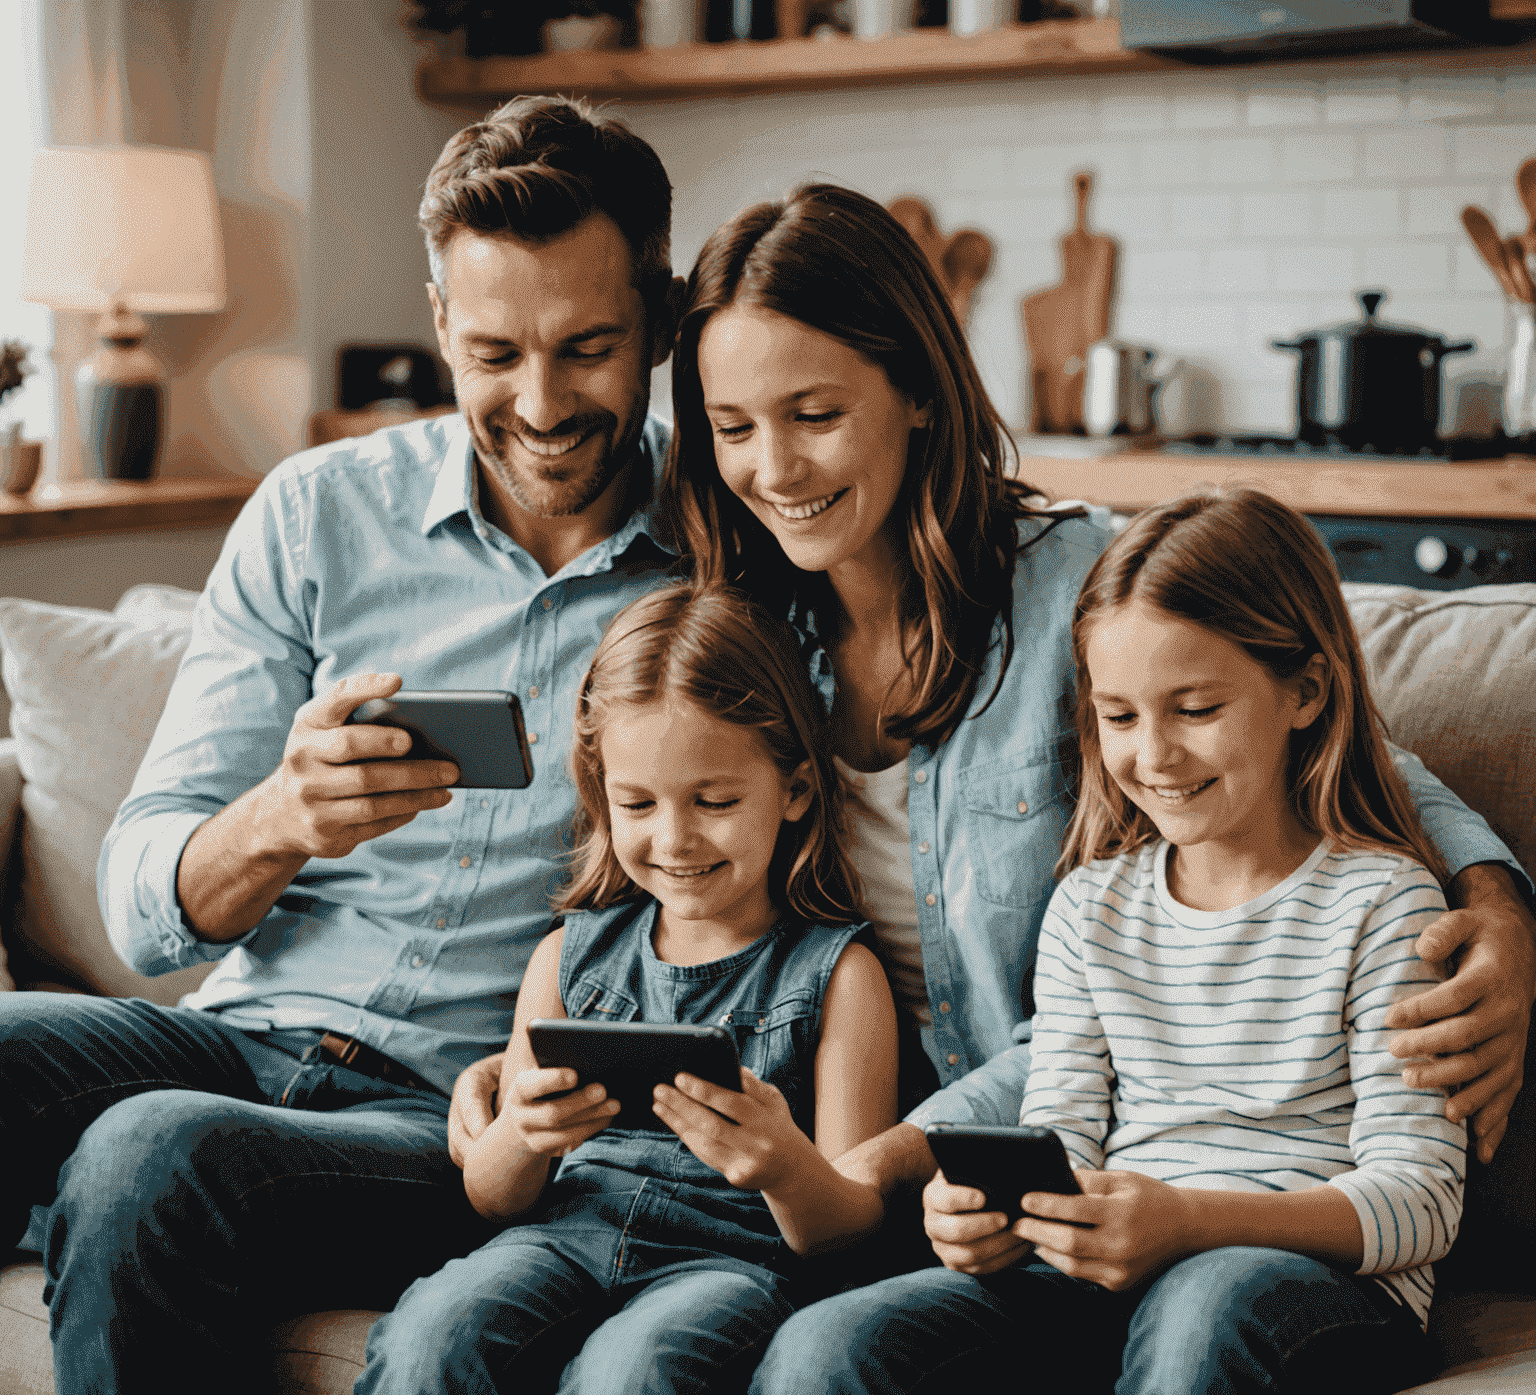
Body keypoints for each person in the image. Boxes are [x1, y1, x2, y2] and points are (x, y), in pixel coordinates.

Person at [451, 183, 1533, 1186]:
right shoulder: (735, 631)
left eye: (815, 416)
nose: (774, 471)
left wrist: (1500, 912)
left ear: (919, 393)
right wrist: (515, 1066)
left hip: (1020, 1146)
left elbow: (1359, 757)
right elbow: (627, 891)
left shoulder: (1077, 586)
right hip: (793, 1161)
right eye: (734, 429)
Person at [0, 96, 687, 1395]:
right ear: (439, 319)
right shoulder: (321, 513)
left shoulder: (731, 562)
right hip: (246, 1032)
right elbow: (138, 903)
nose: (544, 403)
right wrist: (278, 819)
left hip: (467, 1118)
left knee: (148, 1158)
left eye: (590, 349)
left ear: (663, 320)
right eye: (495, 354)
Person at [735, 489, 1469, 1395]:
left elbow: (1419, 1203)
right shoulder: (1091, 906)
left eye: (1197, 709)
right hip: (1116, 1274)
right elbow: (1063, 1139)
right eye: (1120, 717)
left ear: (1305, 691)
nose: (1153, 755)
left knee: (1206, 1306)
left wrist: (1186, 1223)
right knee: (828, 1347)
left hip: (1309, 1292)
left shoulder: (1384, 903)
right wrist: (985, 1221)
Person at [349, 581, 897, 1395]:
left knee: (622, 1390)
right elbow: (492, 1192)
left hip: (729, 1263)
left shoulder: (839, 976)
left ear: (797, 788)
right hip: (560, 1233)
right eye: (636, 802)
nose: (674, 838)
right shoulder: (570, 954)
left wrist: (783, 1164)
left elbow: (847, 1230)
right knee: (429, 1338)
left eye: (716, 800)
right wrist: (520, 1134)